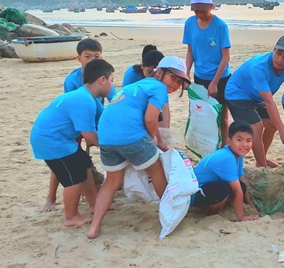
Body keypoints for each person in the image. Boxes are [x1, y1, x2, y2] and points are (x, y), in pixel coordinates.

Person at [86, 56, 191, 239]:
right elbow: (150, 119)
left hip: (106, 137)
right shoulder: (159, 89)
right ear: (160, 72)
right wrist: (154, 141)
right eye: (173, 78)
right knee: (156, 170)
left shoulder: (134, 86)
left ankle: (94, 227)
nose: (175, 85)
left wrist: (156, 138)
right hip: (130, 136)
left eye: (180, 82)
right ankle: (170, 212)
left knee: (111, 182)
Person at [29, 59, 115, 227]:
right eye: (112, 80)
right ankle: (71, 216)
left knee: (84, 165)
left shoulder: (90, 98)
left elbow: (105, 121)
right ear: (102, 80)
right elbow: (90, 137)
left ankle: (93, 204)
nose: (112, 85)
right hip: (51, 141)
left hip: (60, 139)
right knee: (73, 177)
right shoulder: (84, 101)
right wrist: (114, 148)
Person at [43, 38, 117, 212]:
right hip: (75, 124)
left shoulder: (104, 74)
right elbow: (76, 109)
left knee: (84, 162)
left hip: (96, 120)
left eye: (96, 56)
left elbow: (113, 102)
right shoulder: (72, 81)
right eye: (87, 56)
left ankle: (95, 199)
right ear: (79, 58)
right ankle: (51, 197)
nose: (92, 60)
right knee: (65, 161)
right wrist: (88, 135)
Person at [224, 35, 284, 167]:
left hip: (256, 97)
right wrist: (283, 131)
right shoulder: (259, 66)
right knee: (256, 127)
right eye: (278, 53)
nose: (280, 59)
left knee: (271, 124)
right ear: (274, 49)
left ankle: (261, 159)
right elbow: (269, 101)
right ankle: (262, 166)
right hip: (237, 93)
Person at [184, 0, 232, 146]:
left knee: (222, 115)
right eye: (196, 10)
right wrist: (185, 75)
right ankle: (206, 147)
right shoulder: (190, 24)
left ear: (211, 6)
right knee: (202, 115)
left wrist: (215, 82)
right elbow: (190, 52)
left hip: (221, 77)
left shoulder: (220, 26)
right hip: (200, 77)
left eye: (203, 10)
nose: (200, 14)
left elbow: (226, 56)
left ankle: (224, 145)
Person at [191, 122, 259, 221]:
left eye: (248, 140)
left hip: (207, 187)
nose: (244, 145)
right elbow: (236, 190)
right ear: (229, 141)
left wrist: (251, 205)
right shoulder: (228, 157)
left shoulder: (237, 155)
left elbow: (242, 180)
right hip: (194, 192)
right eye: (239, 140)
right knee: (225, 188)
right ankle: (209, 210)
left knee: (242, 186)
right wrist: (241, 217)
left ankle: (216, 206)